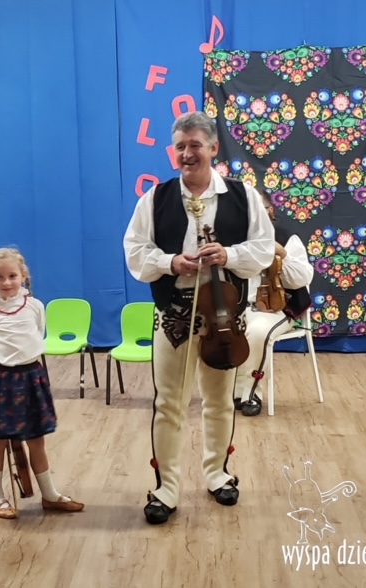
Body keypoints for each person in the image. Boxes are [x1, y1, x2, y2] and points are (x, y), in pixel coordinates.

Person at [123, 111, 275, 525]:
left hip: (224, 319)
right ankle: (166, 488)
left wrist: (229, 254)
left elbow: (263, 248)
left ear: (213, 148)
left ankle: (217, 474)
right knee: (168, 404)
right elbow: (135, 250)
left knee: (220, 401)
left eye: (195, 145)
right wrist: (171, 262)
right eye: (180, 147)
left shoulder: (243, 195)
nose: (187, 153)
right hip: (175, 316)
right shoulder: (155, 199)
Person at [0, 247, 84, 519]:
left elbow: (38, 334)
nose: (7, 282)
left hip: (31, 377)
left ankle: (50, 495)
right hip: (1, 380)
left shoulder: (35, 306)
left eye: (12, 276)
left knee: (36, 440)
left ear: (23, 276)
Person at [233, 192, 314, 416]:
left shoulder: (287, 238)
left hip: (276, 309)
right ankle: (232, 391)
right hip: (238, 307)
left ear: (270, 212)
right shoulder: (234, 240)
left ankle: (251, 393)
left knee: (258, 331)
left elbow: (302, 278)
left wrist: (282, 255)